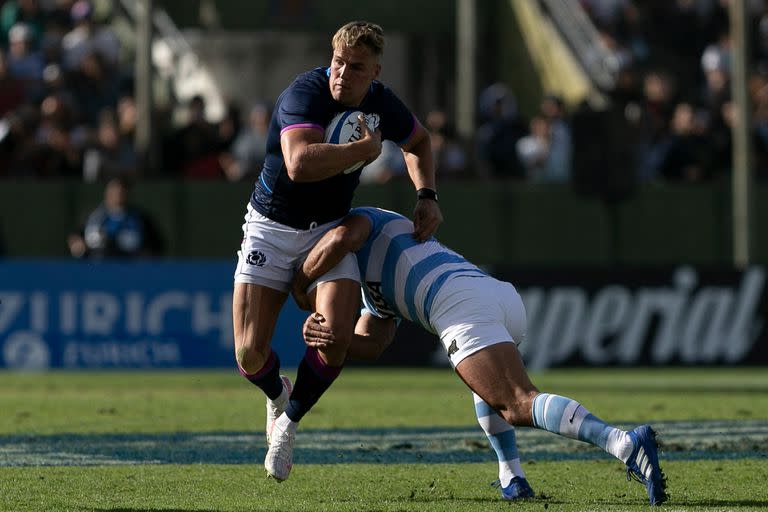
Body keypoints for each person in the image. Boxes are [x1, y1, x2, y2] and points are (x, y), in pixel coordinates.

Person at [291, 206, 667, 506]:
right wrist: (334, 338)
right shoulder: (368, 289)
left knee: (517, 403)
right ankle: (512, 476)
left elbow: (341, 237)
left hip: (461, 303)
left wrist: (299, 281)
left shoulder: (358, 220)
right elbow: (373, 343)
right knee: (490, 389)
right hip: (494, 295)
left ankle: (624, 444)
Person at [231, 21, 442, 483]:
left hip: (327, 229)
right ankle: (277, 393)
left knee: (336, 338)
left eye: (356, 67)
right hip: (271, 226)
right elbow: (299, 164)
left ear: (375, 72)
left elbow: (420, 141)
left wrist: (426, 194)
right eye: (338, 62)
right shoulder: (303, 94)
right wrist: (364, 150)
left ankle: (288, 425)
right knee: (249, 352)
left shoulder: (382, 103)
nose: (342, 73)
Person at [67, 177, 164, 259]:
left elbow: (157, 245)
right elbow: (76, 239)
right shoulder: (93, 216)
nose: (118, 193)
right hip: (99, 269)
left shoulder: (140, 218)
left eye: (121, 190)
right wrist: (78, 245)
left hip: (132, 270)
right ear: (107, 192)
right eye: (113, 189)